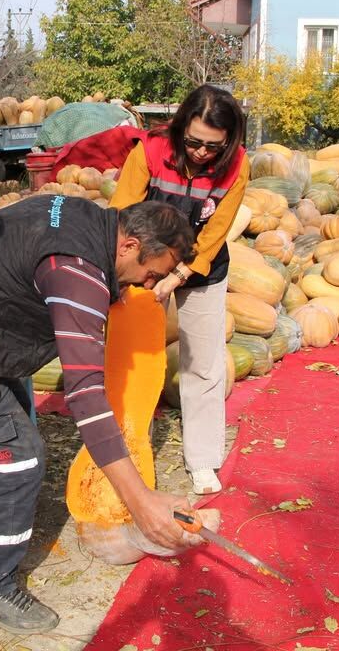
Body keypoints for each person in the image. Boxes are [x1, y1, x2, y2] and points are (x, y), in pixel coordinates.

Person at [0, 196, 204, 634]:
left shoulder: (91, 222)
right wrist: (141, 502)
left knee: (8, 438)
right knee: (18, 460)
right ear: (130, 245)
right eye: (152, 273)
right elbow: (85, 394)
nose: (150, 285)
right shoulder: (77, 271)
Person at [109, 84, 249, 496]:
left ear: (229, 140)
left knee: (203, 363)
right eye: (193, 142)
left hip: (202, 266)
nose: (202, 152)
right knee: (135, 359)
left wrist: (178, 275)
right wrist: (131, 273)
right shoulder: (149, 151)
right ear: (181, 127)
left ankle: (202, 460)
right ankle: (131, 450)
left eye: (213, 146)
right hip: (146, 265)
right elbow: (121, 214)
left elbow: (217, 231)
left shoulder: (237, 165)